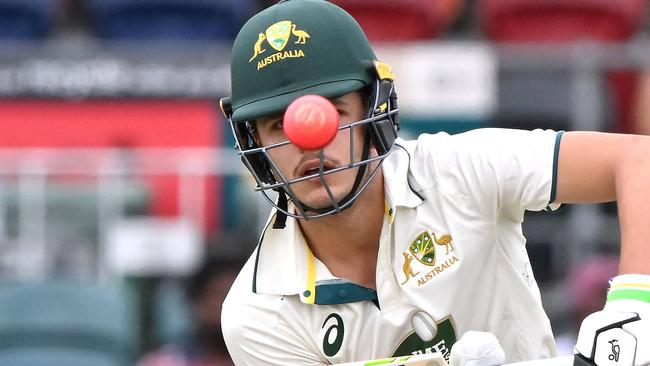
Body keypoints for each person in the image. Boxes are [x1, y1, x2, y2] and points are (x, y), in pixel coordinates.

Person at [219, 0, 650, 364]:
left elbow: (637, 159)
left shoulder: (459, 169)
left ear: (375, 110)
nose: (310, 142)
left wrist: (636, 305)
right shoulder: (257, 315)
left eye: (332, 113)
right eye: (279, 126)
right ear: (254, 144)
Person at [138, 255, 240, 366]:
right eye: (219, 295)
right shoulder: (164, 362)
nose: (227, 307)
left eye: (238, 298)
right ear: (196, 301)